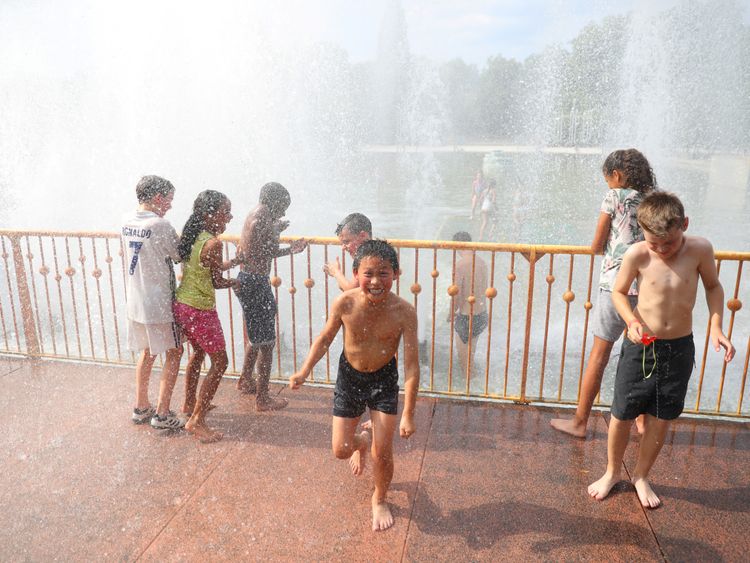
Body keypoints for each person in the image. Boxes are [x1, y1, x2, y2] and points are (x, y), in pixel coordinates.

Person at [588, 191, 735, 508]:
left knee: (661, 415)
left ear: (684, 224)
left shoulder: (700, 249)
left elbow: (712, 286)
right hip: (640, 345)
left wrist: (717, 325)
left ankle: (641, 475)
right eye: (655, 244)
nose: (662, 250)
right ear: (644, 234)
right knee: (622, 413)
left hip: (678, 348)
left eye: (668, 243)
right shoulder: (638, 254)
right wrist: (630, 320)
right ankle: (612, 472)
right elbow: (618, 292)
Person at [289, 240, 419, 532]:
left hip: (384, 380)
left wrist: (408, 412)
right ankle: (362, 441)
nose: (375, 281)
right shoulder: (345, 303)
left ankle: (379, 497)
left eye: (384, 273)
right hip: (350, 377)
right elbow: (324, 338)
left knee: (383, 452)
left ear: (396, 274)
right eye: (368, 273)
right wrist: (304, 371)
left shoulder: (404, 312)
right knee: (341, 450)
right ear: (356, 272)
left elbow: (412, 364)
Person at [551, 149, 657, 438]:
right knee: (643, 356)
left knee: (600, 354)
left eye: (607, 178)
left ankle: (579, 422)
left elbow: (597, 244)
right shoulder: (652, 200)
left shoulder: (615, 197)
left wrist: (605, 247)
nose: (607, 184)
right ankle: (643, 423)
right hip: (647, 288)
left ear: (617, 175)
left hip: (616, 287)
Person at [233, 182, 307, 410]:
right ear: (273, 202)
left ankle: (246, 380)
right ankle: (262, 398)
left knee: (257, 337)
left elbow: (258, 242)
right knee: (267, 342)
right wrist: (291, 249)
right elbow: (263, 251)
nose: (284, 212)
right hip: (255, 284)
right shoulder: (261, 220)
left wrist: (276, 228)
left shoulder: (258, 215)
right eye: (283, 206)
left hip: (248, 280)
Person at [173, 190, 238, 443]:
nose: (229, 217)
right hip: (200, 309)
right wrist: (235, 283)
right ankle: (197, 421)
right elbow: (217, 281)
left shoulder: (194, 237)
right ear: (209, 214)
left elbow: (206, 266)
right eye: (226, 212)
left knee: (198, 354)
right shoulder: (214, 243)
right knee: (220, 363)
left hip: (183, 304)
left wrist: (233, 262)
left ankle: (189, 404)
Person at [122, 175, 185, 430]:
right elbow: (179, 255)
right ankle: (162, 413)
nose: (170, 205)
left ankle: (141, 407)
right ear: (158, 198)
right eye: (169, 199)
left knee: (148, 351)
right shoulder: (161, 224)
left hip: (136, 300)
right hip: (159, 302)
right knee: (174, 351)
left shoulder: (125, 221)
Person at [448, 232, 488, 377]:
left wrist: (451, 312)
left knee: (464, 363)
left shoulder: (460, 265)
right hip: (481, 315)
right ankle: (476, 387)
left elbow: (457, 293)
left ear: (457, 245)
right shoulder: (482, 262)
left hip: (466, 317)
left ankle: (470, 394)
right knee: (470, 356)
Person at [323, 212, 372, 291]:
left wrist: (336, 272)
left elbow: (351, 291)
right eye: (342, 243)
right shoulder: (366, 254)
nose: (343, 248)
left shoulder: (369, 257)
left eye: (346, 242)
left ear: (363, 236)